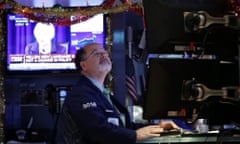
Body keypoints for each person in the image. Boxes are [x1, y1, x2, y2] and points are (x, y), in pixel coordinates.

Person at [54, 42, 179, 144]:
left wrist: (158, 127)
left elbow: (122, 127)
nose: (104, 55)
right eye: (96, 53)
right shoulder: (81, 94)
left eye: (105, 52)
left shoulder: (103, 94)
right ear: (83, 65)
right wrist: (135, 135)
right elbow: (98, 130)